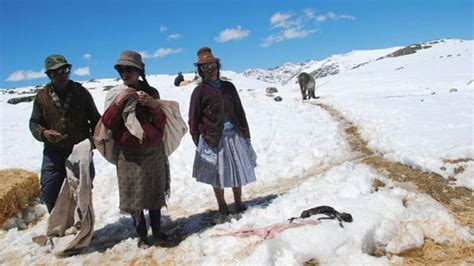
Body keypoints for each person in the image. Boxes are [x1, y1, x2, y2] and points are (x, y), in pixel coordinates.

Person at [101, 50, 170, 248]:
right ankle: (141, 236)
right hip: (129, 154)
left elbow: (161, 123)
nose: (124, 73)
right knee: (135, 197)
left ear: (139, 71)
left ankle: (157, 230)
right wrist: (119, 103)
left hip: (153, 151)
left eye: (129, 69)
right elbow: (108, 124)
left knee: (155, 192)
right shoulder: (115, 94)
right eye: (121, 69)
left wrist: (153, 105)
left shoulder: (151, 92)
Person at [188, 47, 257, 223]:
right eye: (204, 67)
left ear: (217, 65)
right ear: (200, 70)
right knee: (216, 174)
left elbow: (240, 111)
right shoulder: (199, 92)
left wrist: (245, 133)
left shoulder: (229, 87)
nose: (209, 69)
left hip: (234, 136)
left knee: (237, 170)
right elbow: (193, 119)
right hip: (212, 140)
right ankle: (222, 205)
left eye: (211, 64)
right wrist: (199, 142)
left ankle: (239, 202)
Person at [29, 54, 101, 213]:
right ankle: (58, 228)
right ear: (49, 75)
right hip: (53, 152)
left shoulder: (81, 93)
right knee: (49, 189)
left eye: (65, 70)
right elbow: (34, 122)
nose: (62, 74)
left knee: (82, 190)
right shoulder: (42, 97)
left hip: (79, 150)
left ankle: (82, 229)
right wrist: (44, 133)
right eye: (57, 72)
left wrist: (93, 142)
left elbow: (96, 119)